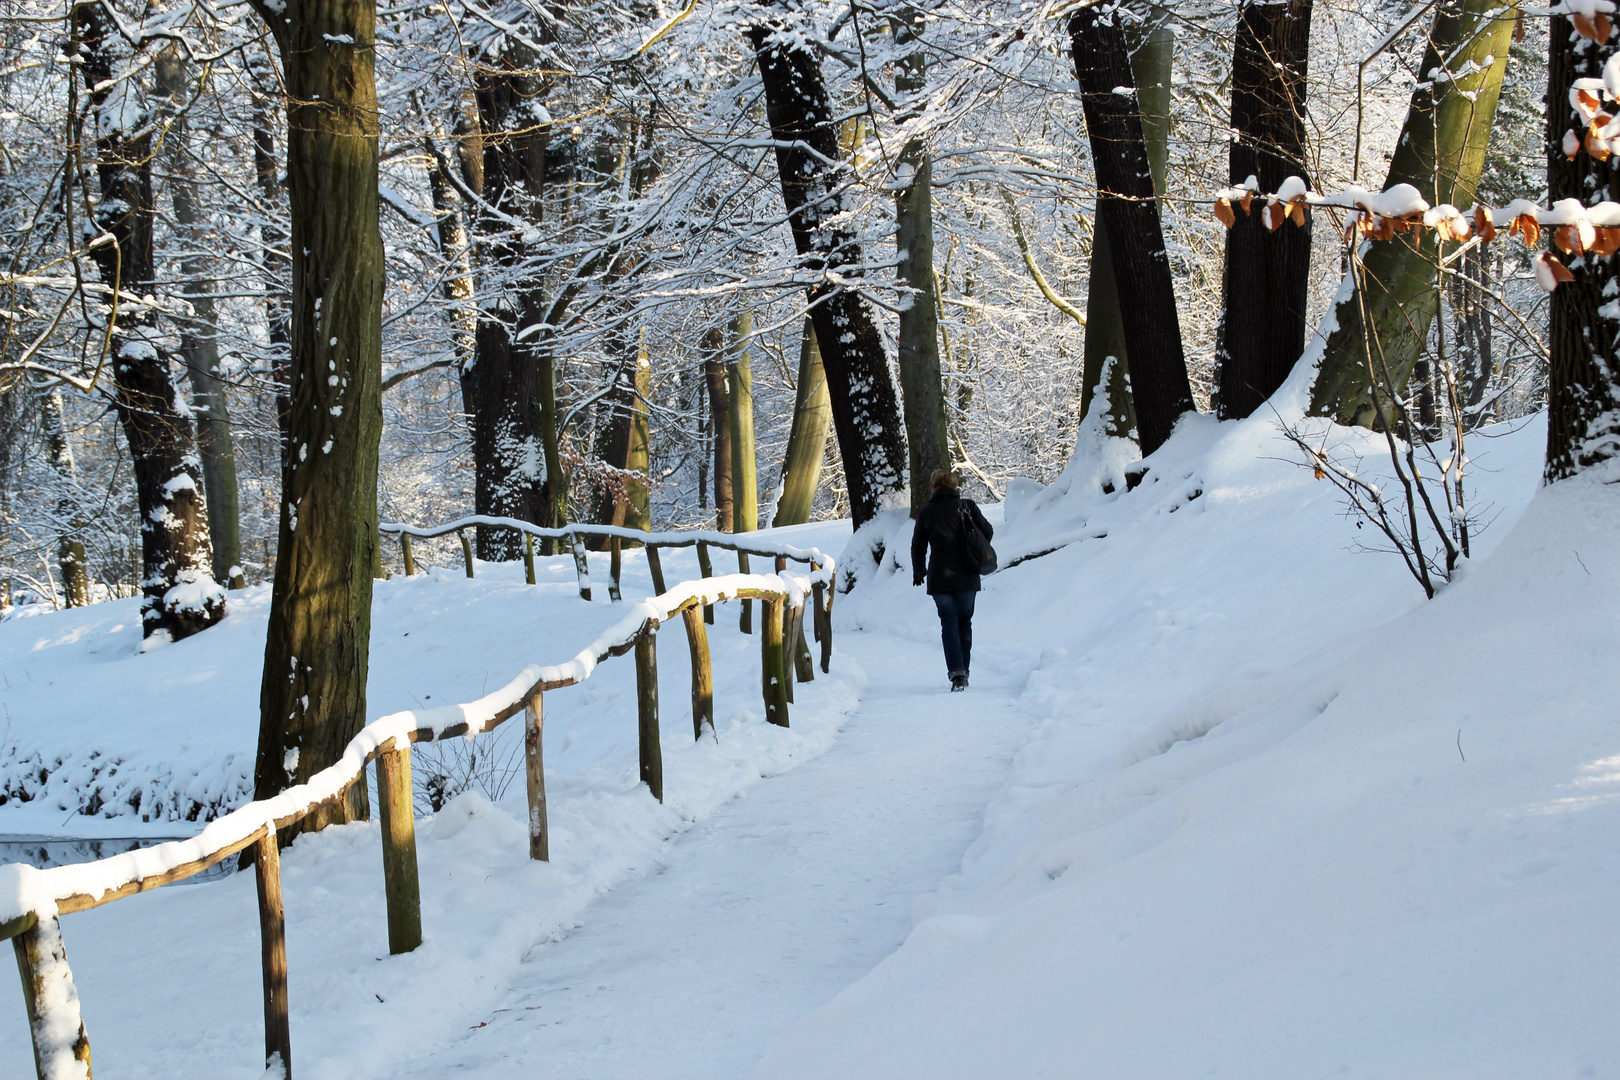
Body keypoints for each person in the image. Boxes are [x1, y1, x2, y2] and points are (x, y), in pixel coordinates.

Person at [910, 469, 993, 691]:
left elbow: (917, 545)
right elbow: (988, 532)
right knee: (964, 622)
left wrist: (919, 570)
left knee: (948, 622)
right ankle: (964, 672)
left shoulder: (927, 511)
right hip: (967, 574)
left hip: (940, 577)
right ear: (954, 486)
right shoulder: (968, 507)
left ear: (934, 486)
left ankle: (956, 675)